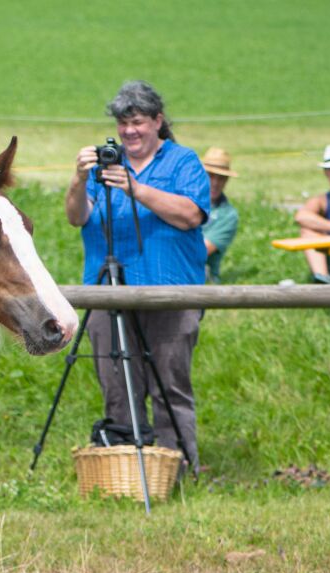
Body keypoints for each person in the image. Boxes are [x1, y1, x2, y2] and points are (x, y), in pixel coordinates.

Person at [65, 80, 210, 472]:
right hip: (107, 292)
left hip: (170, 291)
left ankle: (177, 467)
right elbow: (76, 216)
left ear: (158, 121)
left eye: (138, 122)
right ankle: (126, 467)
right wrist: (79, 179)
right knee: (116, 386)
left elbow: (191, 214)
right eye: (122, 123)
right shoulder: (105, 164)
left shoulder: (183, 161)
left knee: (170, 383)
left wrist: (136, 189)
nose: (129, 131)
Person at [293, 144, 330, 283]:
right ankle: (323, 278)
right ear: (325, 172)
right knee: (307, 231)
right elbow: (301, 217)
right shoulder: (322, 200)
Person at [200, 147, 239, 283]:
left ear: (227, 181)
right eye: (210, 176)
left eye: (221, 178)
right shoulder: (182, 199)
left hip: (201, 275)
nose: (215, 183)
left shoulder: (228, 215)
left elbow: (201, 252)